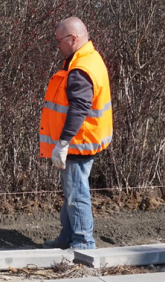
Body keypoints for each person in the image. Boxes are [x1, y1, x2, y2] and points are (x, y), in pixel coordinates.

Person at [40, 17, 113, 250]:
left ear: (74, 38)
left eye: (59, 41)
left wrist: (62, 142)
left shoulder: (80, 69)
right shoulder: (89, 58)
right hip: (85, 138)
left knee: (76, 194)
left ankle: (83, 243)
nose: (57, 46)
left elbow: (79, 108)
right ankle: (67, 237)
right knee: (72, 190)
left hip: (77, 141)